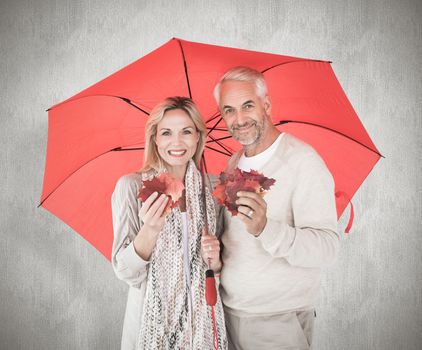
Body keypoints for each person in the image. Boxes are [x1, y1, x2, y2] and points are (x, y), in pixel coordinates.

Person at [213, 67, 339, 350]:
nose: (239, 119)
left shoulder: (303, 161)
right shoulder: (233, 163)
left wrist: (266, 229)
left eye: (248, 106)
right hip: (229, 314)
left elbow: (328, 247)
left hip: (278, 321)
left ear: (266, 105)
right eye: (229, 110)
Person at [111, 97, 227, 350]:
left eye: (186, 131)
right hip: (151, 325)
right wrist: (150, 230)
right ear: (155, 139)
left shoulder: (213, 189)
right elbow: (126, 272)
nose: (177, 142)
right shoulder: (132, 187)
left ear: (198, 137)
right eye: (166, 133)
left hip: (203, 326)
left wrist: (215, 261)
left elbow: (221, 268)